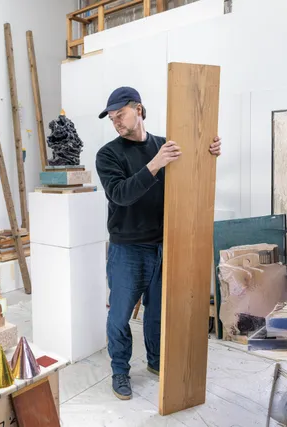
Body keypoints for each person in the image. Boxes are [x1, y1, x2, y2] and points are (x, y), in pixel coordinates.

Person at [95, 86, 222, 400]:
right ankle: (120, 370)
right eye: (112, 118)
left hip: (165, 245)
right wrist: (155, 164)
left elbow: (191, 173)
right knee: (119, 316)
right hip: (127, 248)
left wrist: (210, 152)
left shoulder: (164, 145)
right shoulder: (108, 154)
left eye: (120, 114)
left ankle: (155, 361)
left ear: (138, 109)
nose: (116, 122)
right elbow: (120, 195)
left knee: (157, 313)